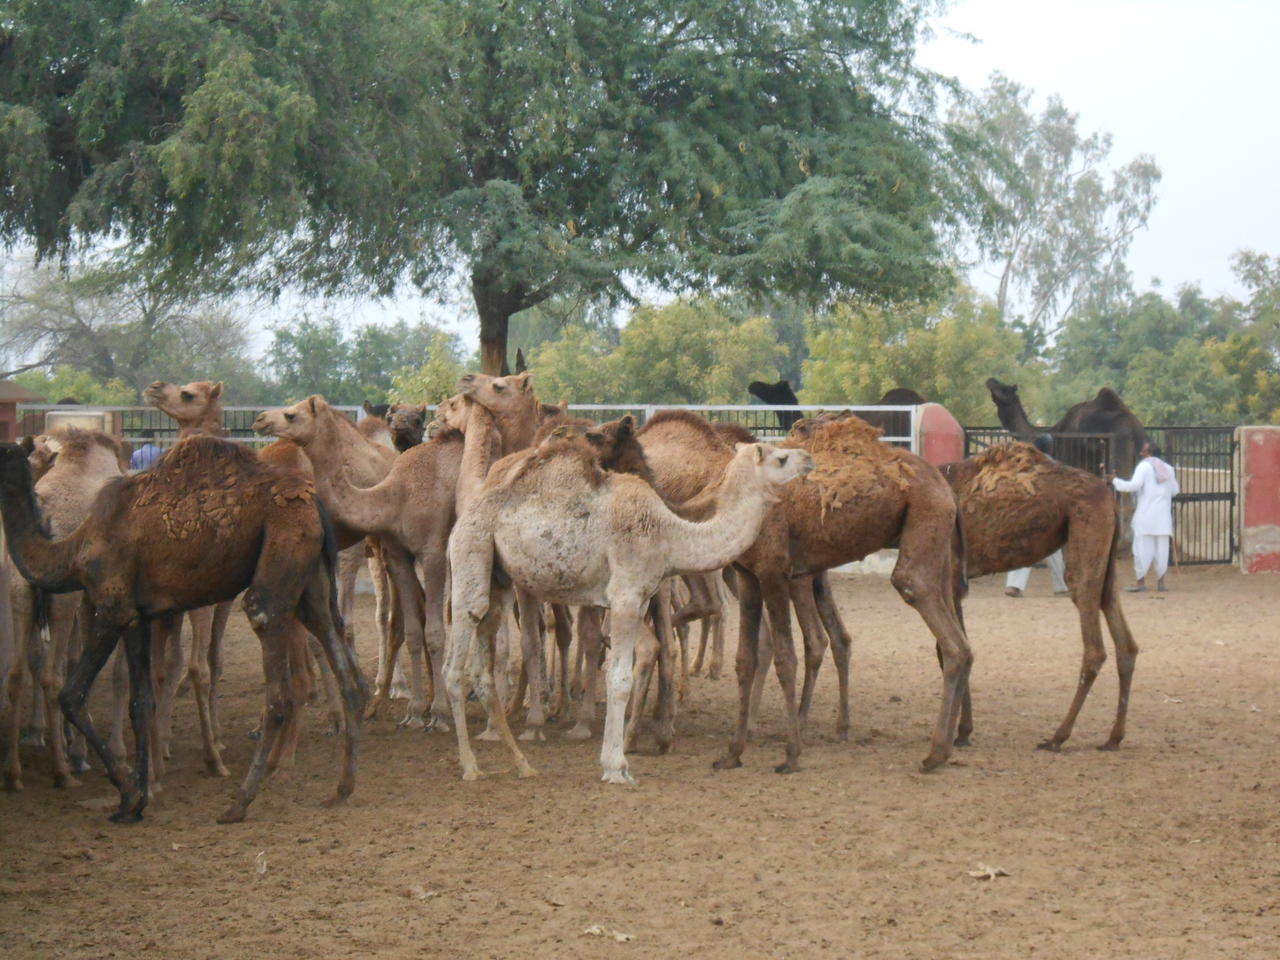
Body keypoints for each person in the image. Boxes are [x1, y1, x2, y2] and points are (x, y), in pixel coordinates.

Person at [1005, 434, 1068, 598]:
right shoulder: (1053, 466)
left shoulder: (1023, 464)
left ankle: (1013, 586)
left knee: (1024, 549)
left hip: (1025, 511)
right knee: (1054, 551)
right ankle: (1061, 587)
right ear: (1050, 448)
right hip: (1046, 513)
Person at [1112, 441, 1179, 592]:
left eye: (1143, 451)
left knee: (1141, 550)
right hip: (1163, 519)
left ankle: (1140, 584)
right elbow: (1175, 490)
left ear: (1148, 453)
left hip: (1146, 517)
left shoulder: (1144, 466)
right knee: (1161, 552)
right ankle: (1161, 584)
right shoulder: (1168, 469)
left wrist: (1115, 481)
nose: (1141, 453)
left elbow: (1133, 486)